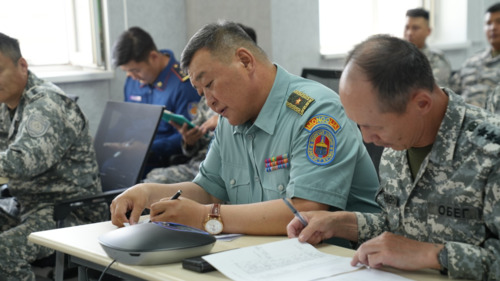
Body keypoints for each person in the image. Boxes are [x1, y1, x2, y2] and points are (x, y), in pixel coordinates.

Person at [110, 21, 380, 237]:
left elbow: (304, 210)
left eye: (210, 83)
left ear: (245, 61)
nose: (209, 101)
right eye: (201, 92)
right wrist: (146, 192)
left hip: (346, 261)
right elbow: (208, 189)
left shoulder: (315, 111)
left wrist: (206, 217)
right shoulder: (231, 119)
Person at [287, 34, 500, 280]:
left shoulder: (491, 151)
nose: (367, 139)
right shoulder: (396, 146)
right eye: (359, 126)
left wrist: (433, 255)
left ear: (421, 103)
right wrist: (341, 223)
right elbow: (400, 225)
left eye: (374, 126)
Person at [0, 33, 106, 280]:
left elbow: (20, 162)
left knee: (3, 253)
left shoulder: (45, 103)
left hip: (70, 213)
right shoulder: (9, 104)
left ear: (22, 65)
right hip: (29, 206)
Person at [144, 23, 257, 184]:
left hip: (229, 168)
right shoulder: (208, 97)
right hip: (201, 163)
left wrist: (222, 121)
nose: (211, 101)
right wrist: (189, 140)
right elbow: (194, 144)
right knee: (150, 181)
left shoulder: (254, 98)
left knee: (157, 181)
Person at [112, 27, 201, 175]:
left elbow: (190, 134)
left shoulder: (183, 85)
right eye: (127, 71)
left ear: (153, 57)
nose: (132, 76)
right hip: (130, 153)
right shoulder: (132, 81)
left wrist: (147, 148)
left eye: (136, 70)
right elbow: (125, 120)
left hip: (160, 158)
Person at [450, 2, 500, 109]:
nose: (493, 28)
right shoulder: (472, 61)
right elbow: (450, 93)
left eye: (499, 22)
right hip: (461, 119)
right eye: (488, 23)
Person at [404, 8, 452, 88]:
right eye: (407, 28)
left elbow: (433, 91)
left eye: (415, 28)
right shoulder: (396, 57)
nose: (409, 33)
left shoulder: (436, 59)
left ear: (428, 31)